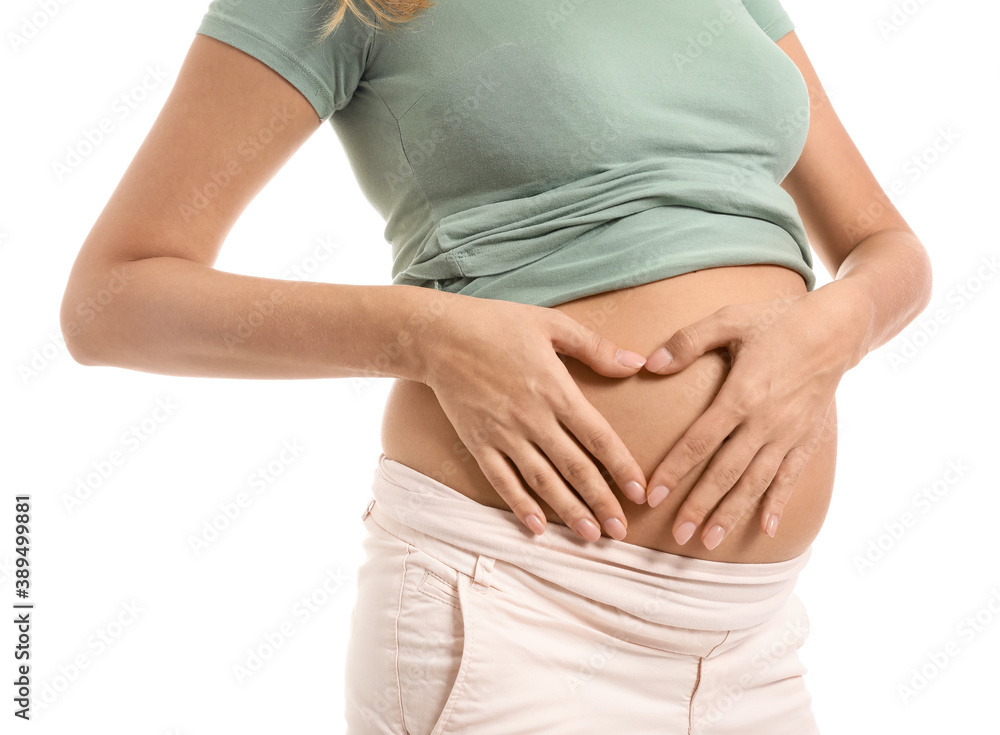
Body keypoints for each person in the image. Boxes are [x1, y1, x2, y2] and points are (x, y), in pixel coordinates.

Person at [59, 0, 933, 732]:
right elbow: (113, 301)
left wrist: (833, 330)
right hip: (514, 610)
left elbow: (885, 244)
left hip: (754, 644)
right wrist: (427, 334)